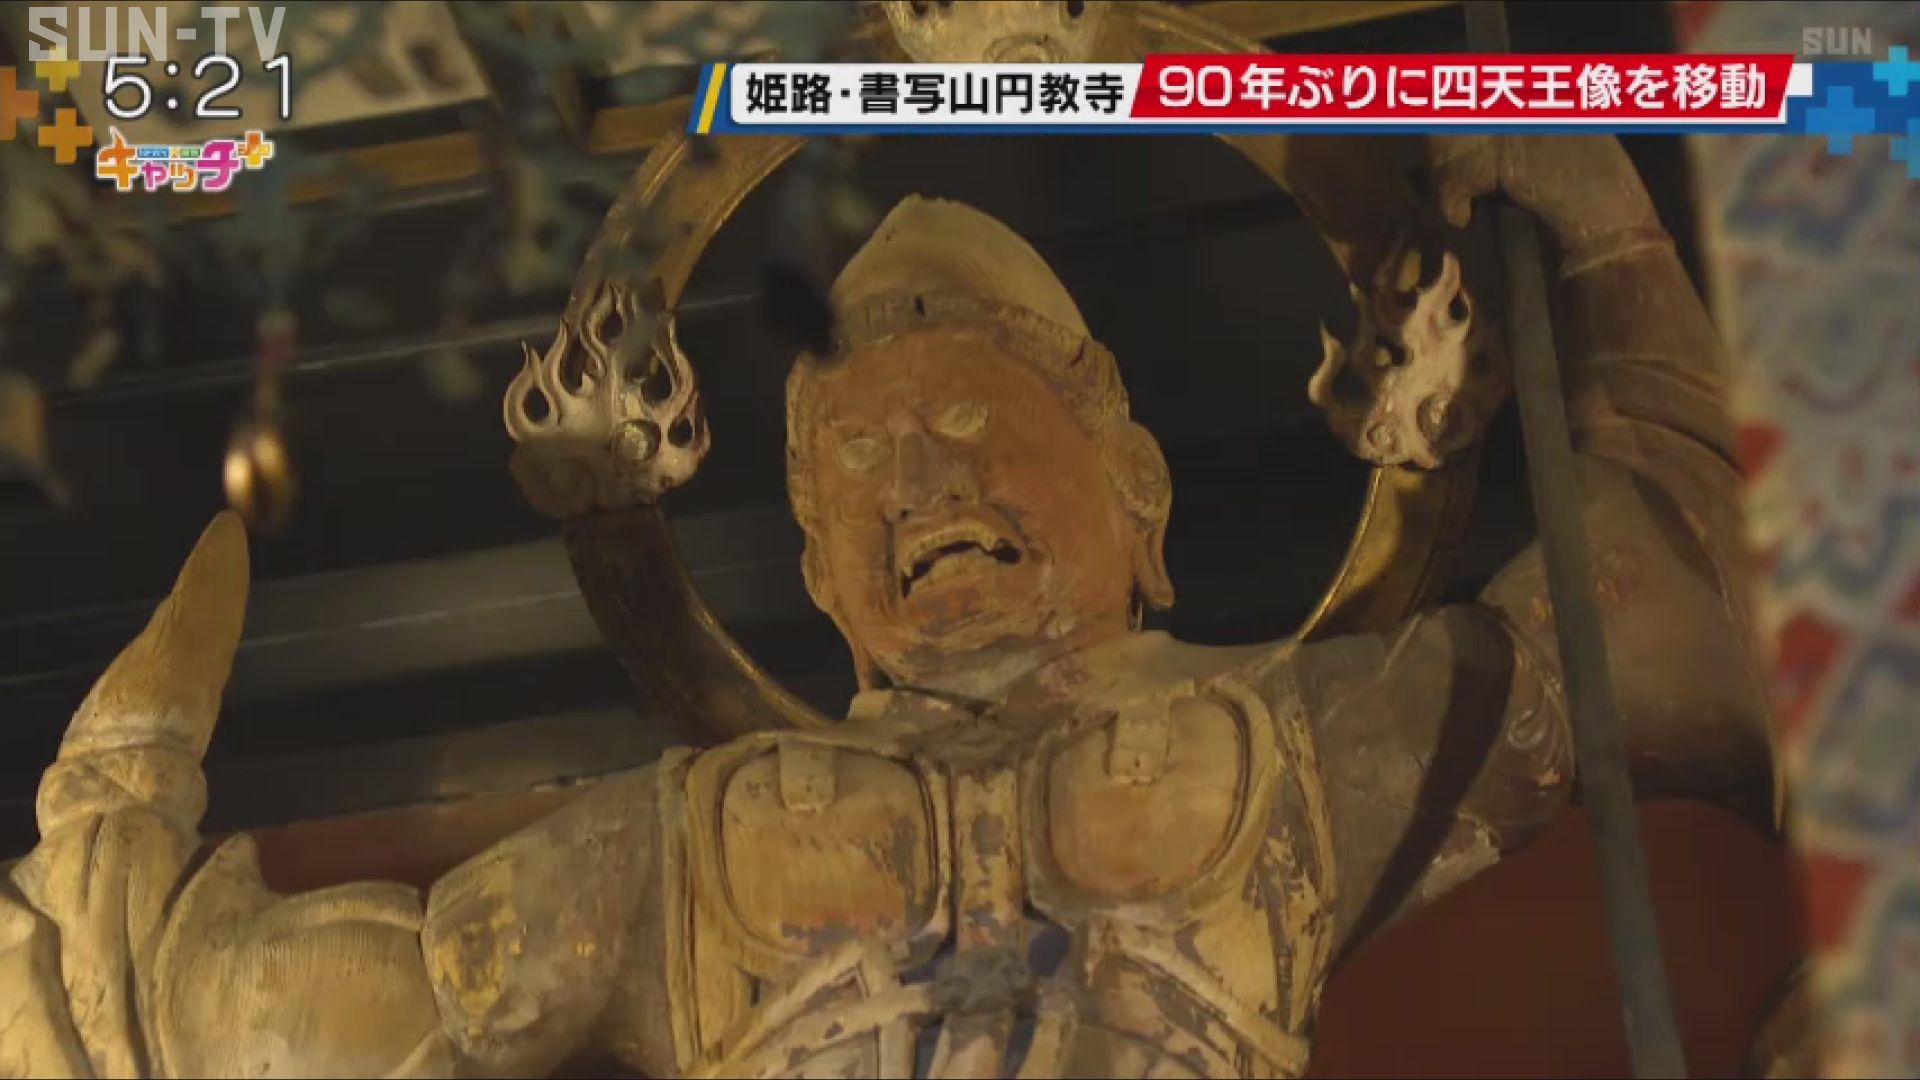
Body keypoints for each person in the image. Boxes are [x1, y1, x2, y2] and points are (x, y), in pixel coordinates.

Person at [0, 135, 1772, 1078]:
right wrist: (109, 902)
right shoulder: (680, 850)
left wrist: (1610, 231)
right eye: (854, 459)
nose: (918, 482)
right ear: (823, 587)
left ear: (1138, 493)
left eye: (973, 424)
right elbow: (307, 1016)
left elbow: (1671, 617)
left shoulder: (1299, 752)